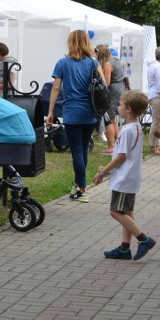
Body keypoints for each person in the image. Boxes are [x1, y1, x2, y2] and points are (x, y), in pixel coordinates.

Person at [92, 90, 156, 261]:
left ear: (128, 109)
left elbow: (121, 156)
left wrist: (104, 172)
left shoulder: (127, 131)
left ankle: (143, 239)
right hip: (129, 177)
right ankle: (124, 248)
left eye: (120, 104)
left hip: (124, 179)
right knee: (127, 212)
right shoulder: (135, 127)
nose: (118, 107)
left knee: (115, 211)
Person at [45, 30, 103, 202]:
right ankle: (77, 186)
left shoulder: (62, 63)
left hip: (71, 111)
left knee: (77, 150)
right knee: (83, 149)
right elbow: (103, 84)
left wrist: (50, 112)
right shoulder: (92, 63)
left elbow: (55, 88)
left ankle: (82, 189)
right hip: (90, 112)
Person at [96, 45, 126, 154]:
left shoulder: (108, 64)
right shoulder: (116, 60)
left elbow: (106, 82)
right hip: (120, 88)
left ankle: (111, 147)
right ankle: (119, 144)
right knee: (114, 120)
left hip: (113, 91)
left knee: (110, 119)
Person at [145, 46, 160, 156]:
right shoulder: (159, 67)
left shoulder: (152, 66)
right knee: (157, 120)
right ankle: (153, 146)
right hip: (157, 96)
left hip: (153, 95)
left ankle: (157, 145)